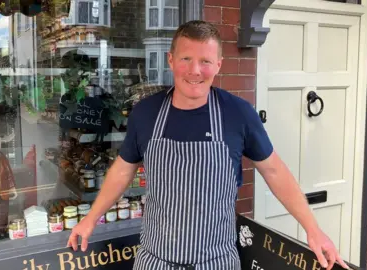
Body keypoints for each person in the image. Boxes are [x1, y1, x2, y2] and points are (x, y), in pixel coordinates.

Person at [67, 20, 349, 270]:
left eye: (205, 61)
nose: (195, 71)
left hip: (217, 262)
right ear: (171, 60)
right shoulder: (146, 113)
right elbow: (122, 170)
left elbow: (275, 171)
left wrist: (313, 229)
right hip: (155, 260)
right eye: (186, 58)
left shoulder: (238, 114)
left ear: (219, 64)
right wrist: (91, 218)